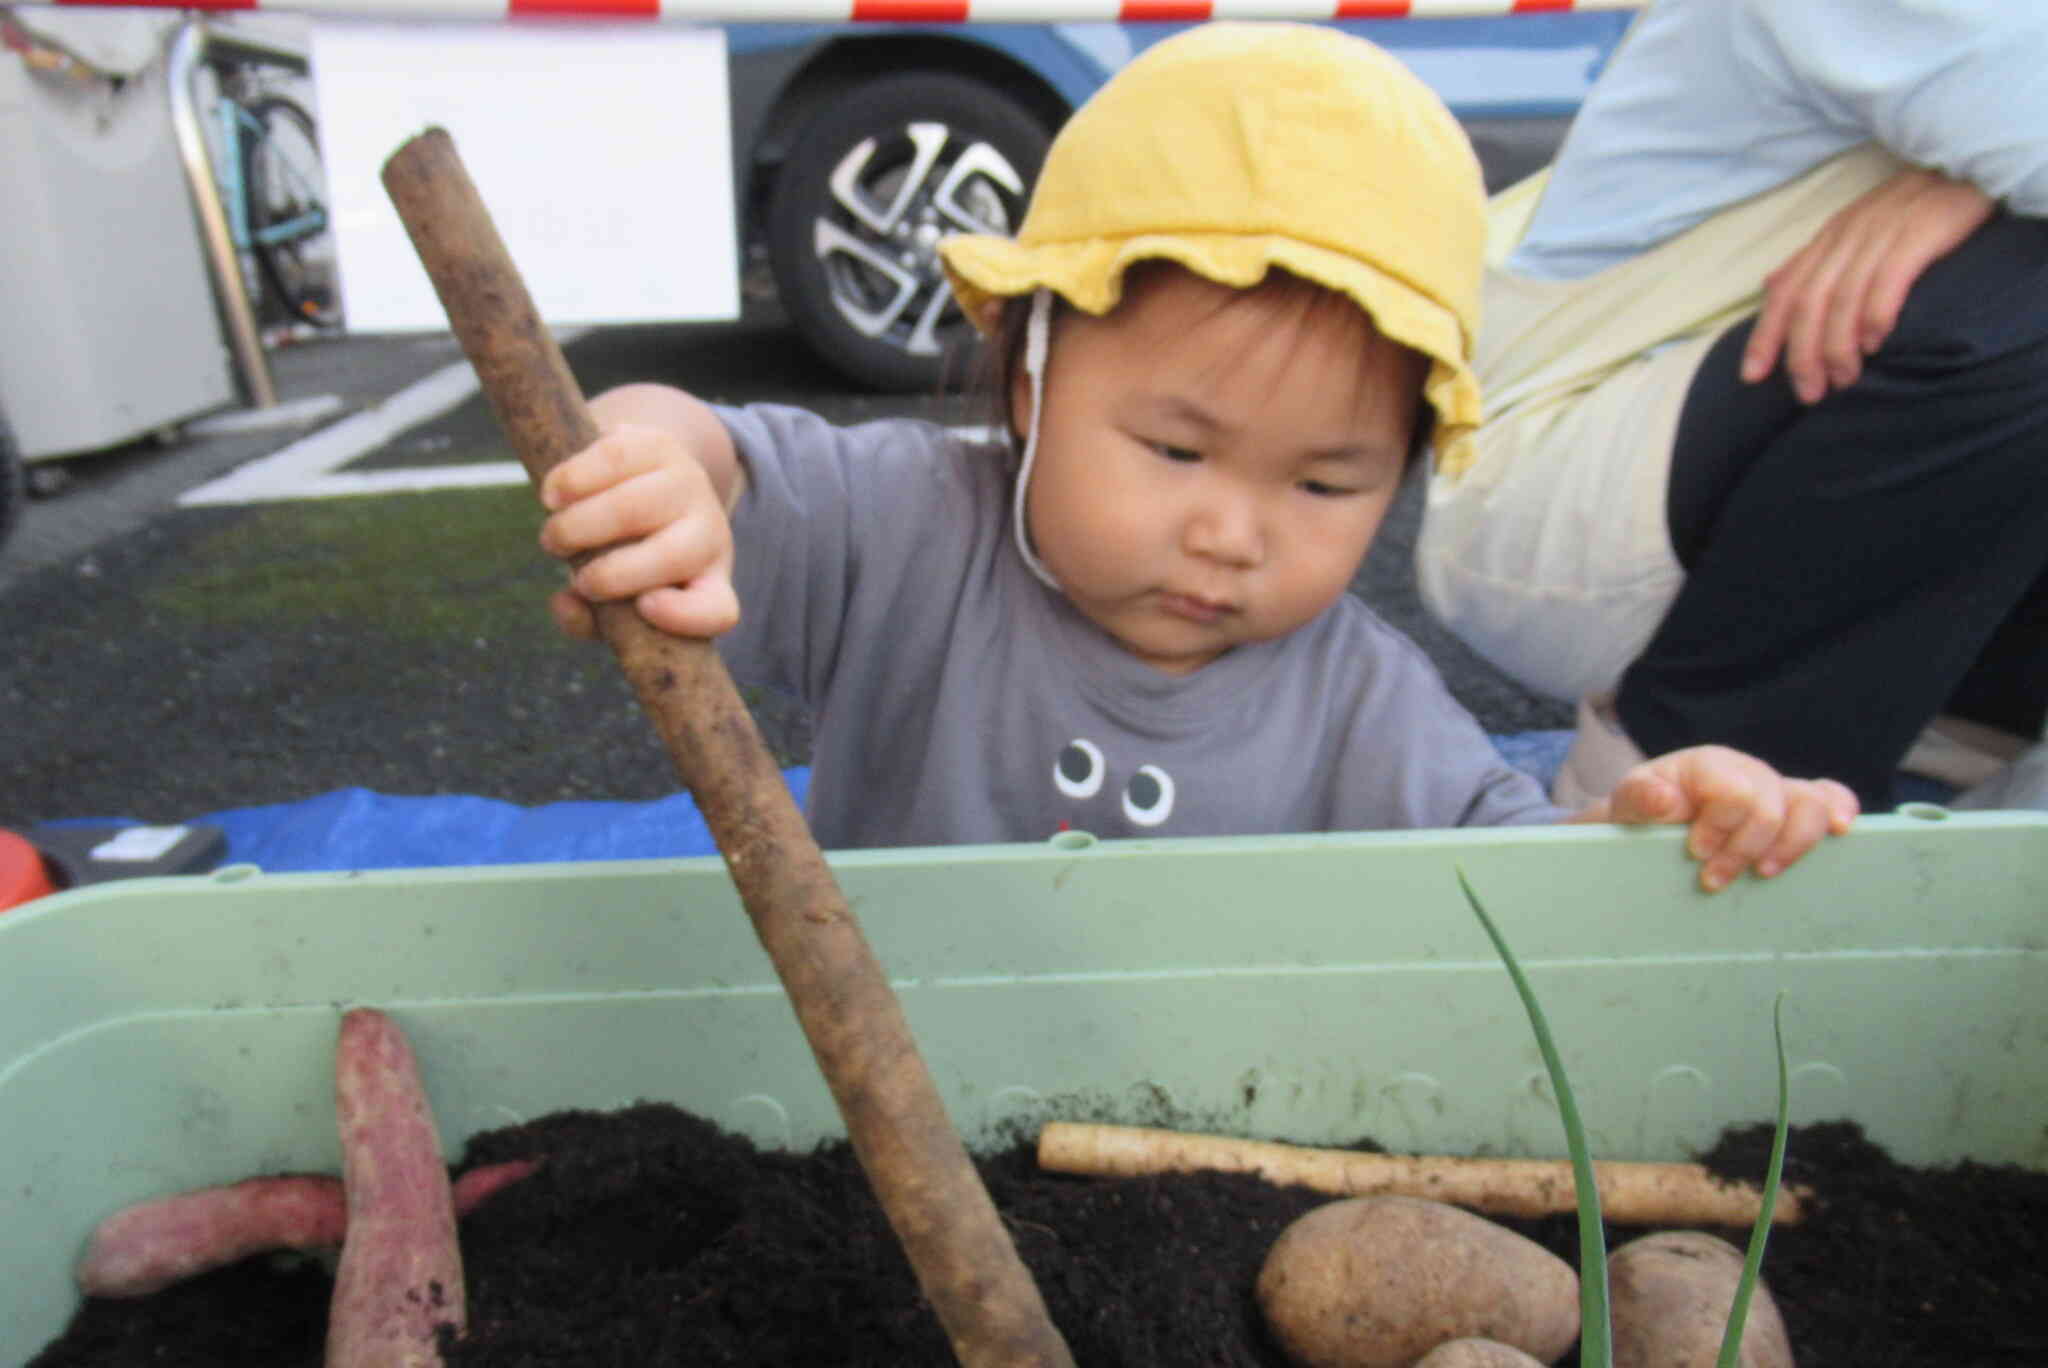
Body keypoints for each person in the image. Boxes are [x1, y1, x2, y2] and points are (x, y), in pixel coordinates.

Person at [539, 22, 1855, 892]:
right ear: (1034, 369)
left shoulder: (1357, 702)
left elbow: (1508, 882)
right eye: (1176, 448)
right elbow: (702, 446)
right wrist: (654, 466)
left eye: (1326, 483)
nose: (1234, 532)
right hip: (880, 1108)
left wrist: (1639, 831)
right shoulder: (907, 529)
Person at [1413, 0, 2048, 812]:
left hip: (1740, 432)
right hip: (1575, 479)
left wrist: (1978, 191)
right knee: (2028, 292)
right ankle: (1694, 794)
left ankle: (1969, 740)